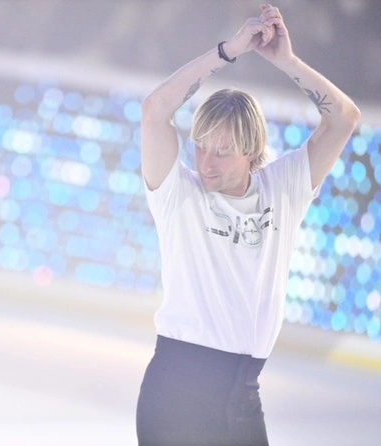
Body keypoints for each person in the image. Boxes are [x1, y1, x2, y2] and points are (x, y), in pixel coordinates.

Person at [136, 4, 360, 445]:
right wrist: (228, 51)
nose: (206, 162)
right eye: (201, 147)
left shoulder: (283, 188)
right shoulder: (178, 194)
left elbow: (344, 118)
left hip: (242, 393)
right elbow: (153, 110)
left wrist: (287, 62)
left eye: (222, 151)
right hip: (175, 394)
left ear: (252, 151)